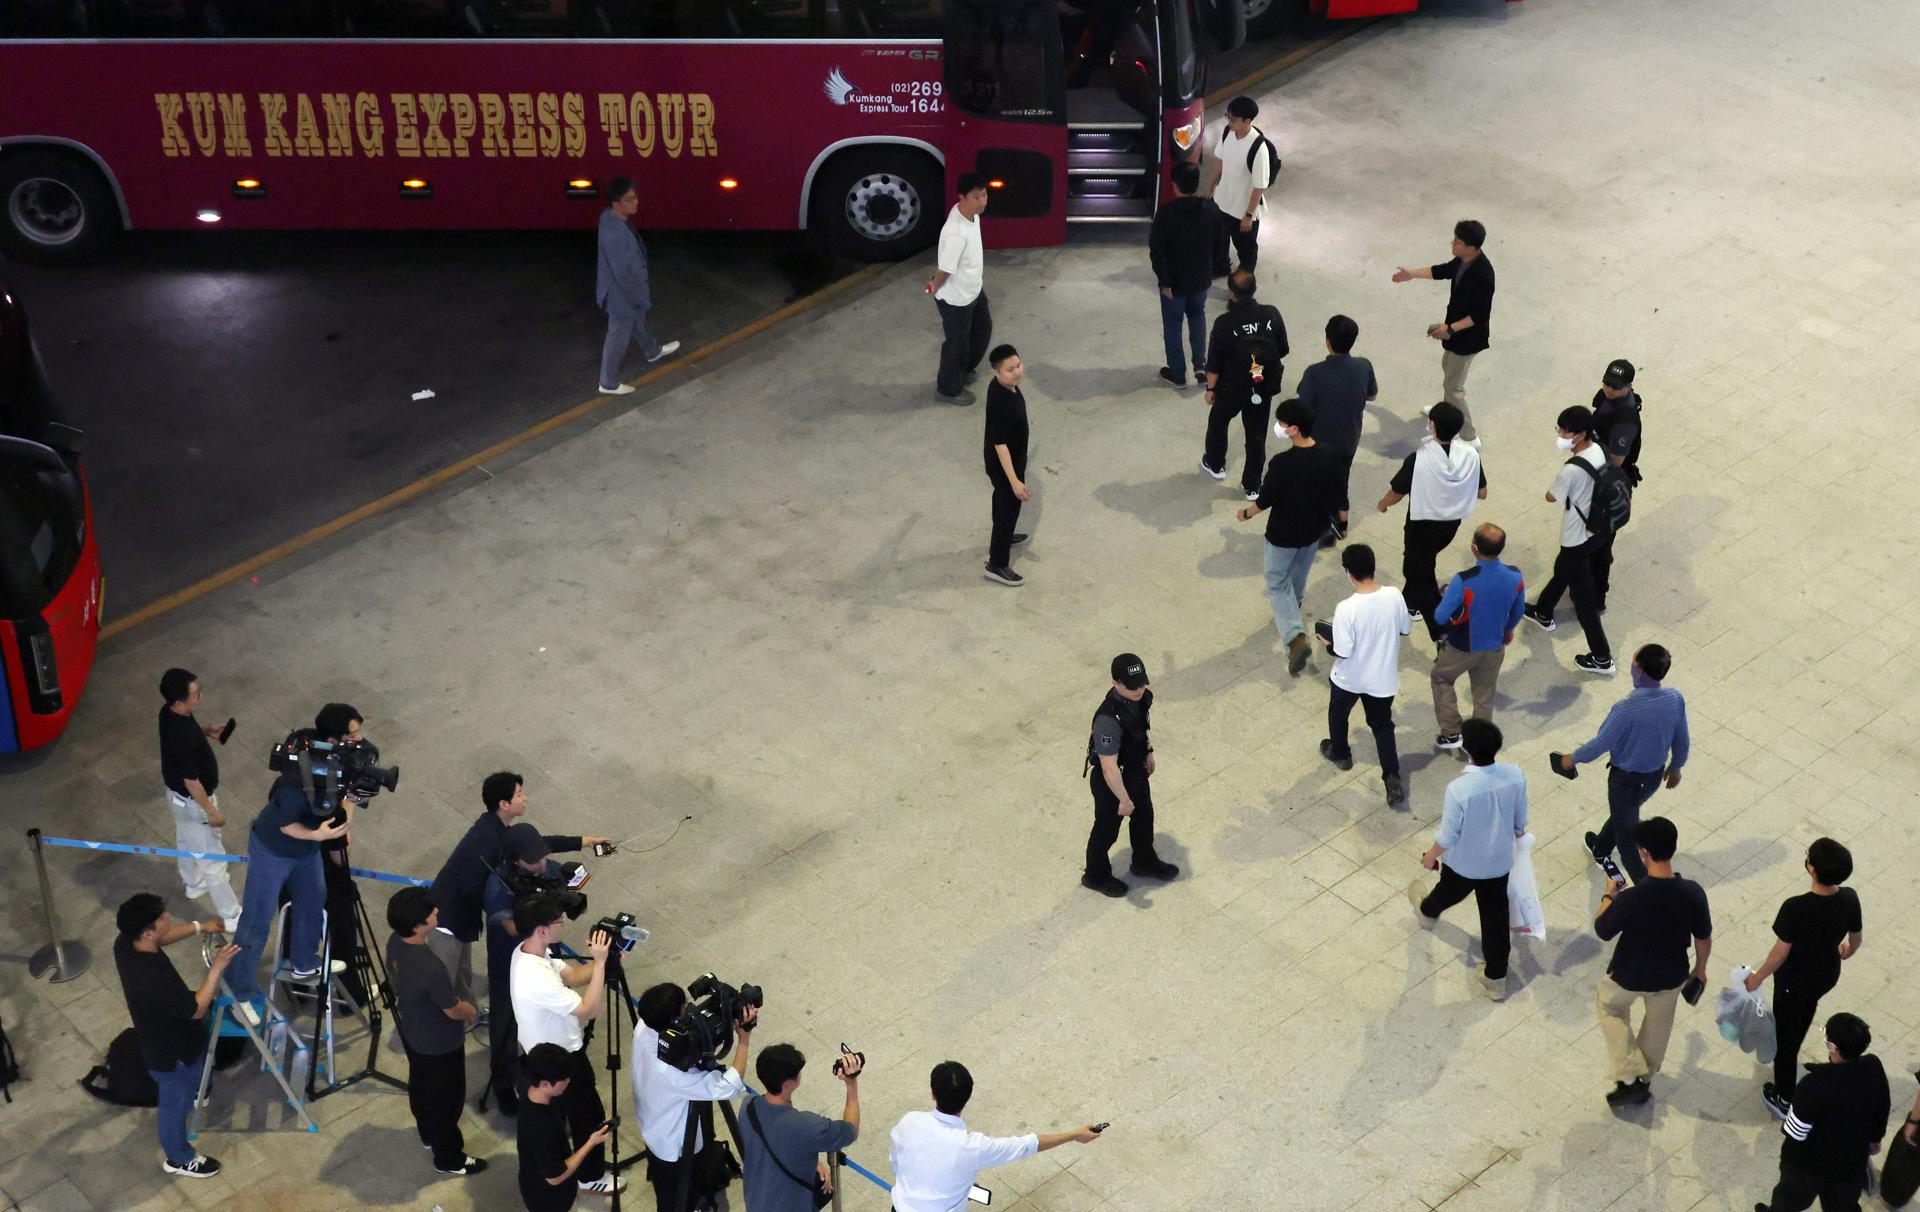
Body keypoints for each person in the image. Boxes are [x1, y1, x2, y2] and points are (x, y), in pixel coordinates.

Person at [431, 771, 612, 1113]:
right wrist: (544, 908)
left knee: (548, 1014)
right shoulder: (498, 886)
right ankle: (502, 1084)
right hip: (509, 964)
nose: (542, 864)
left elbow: (558, 867)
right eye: (535, 860)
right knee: (505, 1021)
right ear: (516, 860)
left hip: (546, 956)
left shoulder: (543, 865)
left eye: (543, 857)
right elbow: (512, 927)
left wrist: (572, 881)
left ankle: (548, 1071)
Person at [226, 703, 360, 1017]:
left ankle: (304, 962)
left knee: (313, 899)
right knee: (257, 921)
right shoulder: (292, 786)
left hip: (305, 850)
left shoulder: (330, 762)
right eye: (352, 735)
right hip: (273, 851)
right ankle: (238, 991)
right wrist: (318, 835)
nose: (358, 739)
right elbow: (286, 826)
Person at [113, 893, 239, 1180]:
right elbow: (196, 1009)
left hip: (182, 1038)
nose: (167, 918)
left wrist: (200, 927)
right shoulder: (151, 979)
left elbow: (162, 938)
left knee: (195, 1070)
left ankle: (198, 1091)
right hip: (169, 1054)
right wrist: (217, 968)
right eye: (161, 918)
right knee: (174, 1105)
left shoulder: (125, 943)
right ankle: (179, 1158)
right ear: (147, 931)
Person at [1591, 816, 1711, 1107]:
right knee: (1659, 1024)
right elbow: (1703, 938)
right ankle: (1645, 1079)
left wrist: (1608, 895)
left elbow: (1602, 929)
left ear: (1643, 853)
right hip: (1671, 974)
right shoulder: (1693, 893)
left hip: (1629, 973)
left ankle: (1629, 1078)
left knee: (1610, 1008)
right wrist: (1700, 970)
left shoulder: (1632, 898)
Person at [510, 893, 620, 1196]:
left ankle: (575, 1163)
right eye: (558, 921)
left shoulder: (529, 952)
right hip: (560, 1059)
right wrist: (600, 963)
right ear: (542, 930)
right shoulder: (536, 977)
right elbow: (588, 1009)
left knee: (565, 1113)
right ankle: (590, 1175)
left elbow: (571, 975)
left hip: (543, 1054)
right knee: (588, 1114)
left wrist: (603, 960)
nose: (563, 925)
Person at [1551, 643, 1689, 885]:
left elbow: (1600, 744)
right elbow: (1682, 739)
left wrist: (1570, 759)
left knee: (1628, 844)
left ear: (1640, 672)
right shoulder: (1675, 699)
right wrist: (1677, 766)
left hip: (1625, 781)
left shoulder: (1625, 710)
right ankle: (1601, 847)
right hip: (1654, 777)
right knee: (1624, 813)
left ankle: (1648, 890)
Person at [1745, 839, 1864, 1119]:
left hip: (1794, 981)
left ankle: (1784, 1098)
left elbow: (1781, 952)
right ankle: (1800, 1030)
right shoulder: (1849, 898)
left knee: (1785, 1040)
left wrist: (1758, 977)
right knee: (1806, 1008)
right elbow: (1856, 937)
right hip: (1826, 974)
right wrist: (1848, 951)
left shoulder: (1795, 908)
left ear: (1812, 870)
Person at [888, 1061, 1102, 1212]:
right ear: (967, 1097)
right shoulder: (973, 1147)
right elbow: (1028, 1145)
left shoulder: (909, 1121)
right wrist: (1074, 1134)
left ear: (933, 1094)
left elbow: (896, 1163)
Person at [1414, 718, 1527, 999]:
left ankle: (1427, 912)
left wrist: (1430, 856)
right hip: (1498, 862)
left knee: (1447, 892)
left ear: (1466, 748)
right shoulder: (1515, 775)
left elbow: (1448, 835)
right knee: (1495, 917)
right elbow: (1519, 819)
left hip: (1464, 863)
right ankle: (1496, 979)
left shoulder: (1459, 789)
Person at [1236, 397, 1347, 675]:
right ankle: (1293, 607)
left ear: (1294, 429)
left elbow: (1265, 500)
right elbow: (1340, 494)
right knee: (1298, 574)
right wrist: (1342, 523)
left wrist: (1246, 514)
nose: (1279, 427)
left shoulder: (1283, 464)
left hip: (1283, 534)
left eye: (1282, 423)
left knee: (1276, 583)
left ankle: (1295, 637)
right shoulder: (1331, 455)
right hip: (1314, 531)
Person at [383, 886, 485, 1177]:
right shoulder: (430, 968)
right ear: (418, 925)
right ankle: (449, 1157)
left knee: (422, 1085)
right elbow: (452, 1009)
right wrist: (471, 1010)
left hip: (413, 1030)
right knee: (447, 1101)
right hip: (440, 1042)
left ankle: (427, 1133)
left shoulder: (395, 942)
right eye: (431, 911)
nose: (437, 911)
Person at [633, 982, 755, 1212]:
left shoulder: (644, 1026)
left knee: (667, 1181)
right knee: (677, 1198)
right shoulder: (671, 1071)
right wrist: (744, 1039)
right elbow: (729, 1085)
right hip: (676, 1144)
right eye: (685, 1008)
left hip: (652, 1123)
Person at [1756, 1013, 1889, 1212]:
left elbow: (1796, 1132)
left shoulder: (1812, 1085)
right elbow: (1882, 1106)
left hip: (1808, 1166)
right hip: (1850, 1162)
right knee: (1843, 1206)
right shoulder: (1873, 1066)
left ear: (1833, 1047)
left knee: (1788, 1201)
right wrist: (1875, 1138)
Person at [1375, 401, 1485, 634]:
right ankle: (1409, 603)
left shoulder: (1418, 459)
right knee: (1423, 562)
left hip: (1421, 527)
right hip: (1450, 525)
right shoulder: (1470, 455)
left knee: (1417, 572)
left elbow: (1397, 492)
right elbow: (1482, 492)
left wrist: (1383, 504)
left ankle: (1440, 628)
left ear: (1431, 425)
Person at [1317, 543, 1411, 807]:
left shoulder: (1347, 608)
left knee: (1338, 714)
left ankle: (1340, 753)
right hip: (1382, 679)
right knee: (1382, 726)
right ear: (1373, 566)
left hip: (1349, 678)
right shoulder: (1394, 595)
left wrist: (1327, 644)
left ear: (1348, 573)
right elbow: (1405, 629)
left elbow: (1343, 650)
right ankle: (1391, 776)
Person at [1523, 405, 1614, 673]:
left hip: (1577, 535)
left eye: (1565, 431)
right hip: (1599, 528)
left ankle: (1602, 657)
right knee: (1562, 568)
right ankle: (1543, 611)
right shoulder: (1599, 450)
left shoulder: (1572, 469)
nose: (1561, 435)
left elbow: (1551, 496)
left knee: (1584, 602)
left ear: (1580, 434)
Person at [1080, 654, 1178, 898]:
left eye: (1142, 683)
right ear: (1116, 683)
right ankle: (1095, 875)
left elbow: (1140, 727)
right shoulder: (1107, 720)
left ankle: (1144, 860)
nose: (1139, 690)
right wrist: (1123, 799)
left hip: (1135, 770)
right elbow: (1108, 768)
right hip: (1112, 783)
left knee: (1144, 817)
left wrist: (1148, 752)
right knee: (1106, 830)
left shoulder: (1141, 698)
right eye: (1132, 686)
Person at [1390, 220, 1494, 444]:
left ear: (1471, 247)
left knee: (1453, 387)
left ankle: (1469, 436)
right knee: (1448, 370)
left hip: (1467, 339)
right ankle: (1446, 417)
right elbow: (1443, 270)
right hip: (1456, 335)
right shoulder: (1463, 260)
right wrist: (1412, 274)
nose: (1453, 243)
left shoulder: (1483, 275)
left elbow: (1479, 315)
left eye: (1458, 242)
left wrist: (1450, 329)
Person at [156, 668, 240, 932]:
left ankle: (193, 883)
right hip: (194, 802)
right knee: (213, 861)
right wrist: (211, 811)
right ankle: (232, 915)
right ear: (179, 702)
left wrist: (206, 730)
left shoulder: (168, 713)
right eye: (195, 694)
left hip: (177, 799)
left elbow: (188, 731)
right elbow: (192, 782)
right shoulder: (184, 739)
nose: (200, 697)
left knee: (185, 837)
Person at [1429, 523, 1525, 748]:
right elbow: (1518, 611)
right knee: (1484, 694)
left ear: (1474, 548)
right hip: (1495, 647)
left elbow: (1440, 617)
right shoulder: (1515, 575)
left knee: (1441, 678)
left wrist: (1447, 595)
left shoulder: (1463, 580)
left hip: (1462, 646)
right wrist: (1507, 630)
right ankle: (1479, 742)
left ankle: (1451, 732)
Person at [740, 1043, 861, 1212]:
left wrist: (810, 1161)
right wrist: (851, 1083)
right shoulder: (808, 1126)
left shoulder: (748, 1106)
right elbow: (851, 1130)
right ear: (789, 1084)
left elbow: (776, 1140)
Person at [1202, 269, 1288, 500]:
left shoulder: (1224, 323)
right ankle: (1252, 485)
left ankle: (1215, 464)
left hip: (1231, 387)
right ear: (1254, 289)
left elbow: (1214, 364)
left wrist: (1211, 389)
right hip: (1262, 385)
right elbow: (1282, 349)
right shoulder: (1271, 314)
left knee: (1219, 421)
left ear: (1232, 292)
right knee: (1256, 434)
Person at [1295, 314, 1378, 536]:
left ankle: (1317, 523)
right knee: (1341, 479)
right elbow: (1372, 395)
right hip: (1348, 439)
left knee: (1314, 482)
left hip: (1318, 442)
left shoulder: (1314, 373)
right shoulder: (1364, 366)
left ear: (1328, 341)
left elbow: (1303, 408)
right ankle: (1340, 524)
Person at [595, 176, 679, 395]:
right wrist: (639, 298)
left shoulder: (611, 217)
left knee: (638, 322)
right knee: (617, 337)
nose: (636, 202)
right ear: (616, 203)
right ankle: (608, 383)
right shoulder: (615, 234)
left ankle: (652, 351)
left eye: (635, 197)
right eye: (629, 199)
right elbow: (623, 274)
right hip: (621, 295)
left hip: (621, 291)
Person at [518, 1043, 615, 1212]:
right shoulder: (540, 1127)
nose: (568, 1081)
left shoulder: (530, 1090)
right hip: (552, 1200)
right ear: (545, 1084)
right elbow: (555, 1177)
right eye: (563, 1079)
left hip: (535, 1180)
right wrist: (591, 1143)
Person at [1148, 160, 1220, 388]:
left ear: (1175, 186)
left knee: (1173, 324)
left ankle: (1178, 374)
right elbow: (1220, 241)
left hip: (1175, 283)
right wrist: (1213, 270)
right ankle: (1200, 365)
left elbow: (1157, 252)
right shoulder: (1210, 210)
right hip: (1201, 279)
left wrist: (1164, 281)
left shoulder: (1166, 214)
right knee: (1198, 316)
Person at [929, 172, 991, 404]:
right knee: (956, 345)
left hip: (973, 289)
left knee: (982, 330)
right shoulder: (956, 232)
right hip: (956, 299)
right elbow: (945, 269)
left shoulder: (971, 215)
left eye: (984, 195)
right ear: (962, 198)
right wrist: (934, 287)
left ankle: (963, 371)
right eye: (976, 197)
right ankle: (948, 389)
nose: (982, 201)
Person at [1586, 358, 1643, 612]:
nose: (1609, 389)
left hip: (1610, 484)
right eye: (1607, 383)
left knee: (1601, 542)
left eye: (1616, 387)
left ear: (1629, 386)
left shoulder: (1625, 420)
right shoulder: (1607, 399)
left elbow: (1616, 460)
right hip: (1597, 477)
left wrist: (1583, 450)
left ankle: (1598, 595)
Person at [1203, 95, 1273, 272]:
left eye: (1233, 118)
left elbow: (1259, 186)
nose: (1228, 121)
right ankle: (1221, 267)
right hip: (1222, 201)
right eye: (1227, 116)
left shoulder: (1258, 148)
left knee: (1246, 248)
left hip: (1242, 210)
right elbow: (1220, 161)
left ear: (1247, 121)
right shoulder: (1228, 133)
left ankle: (1245, 278)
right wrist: (1210, 186)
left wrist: (1248, 215)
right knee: (1219, 240)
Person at [981, 344, 1031, 587]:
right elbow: (1000, 445)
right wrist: (1015, 482)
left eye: (1018, 365)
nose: (1017, 372)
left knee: (1004, 506)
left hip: (1013, 458)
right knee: (1007, 508)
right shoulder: (999, 402)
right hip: (1004, 465)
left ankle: (1005, 535)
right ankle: (997, 564)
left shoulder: (1005, 387)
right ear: (996, 372)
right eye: (1010, 370)